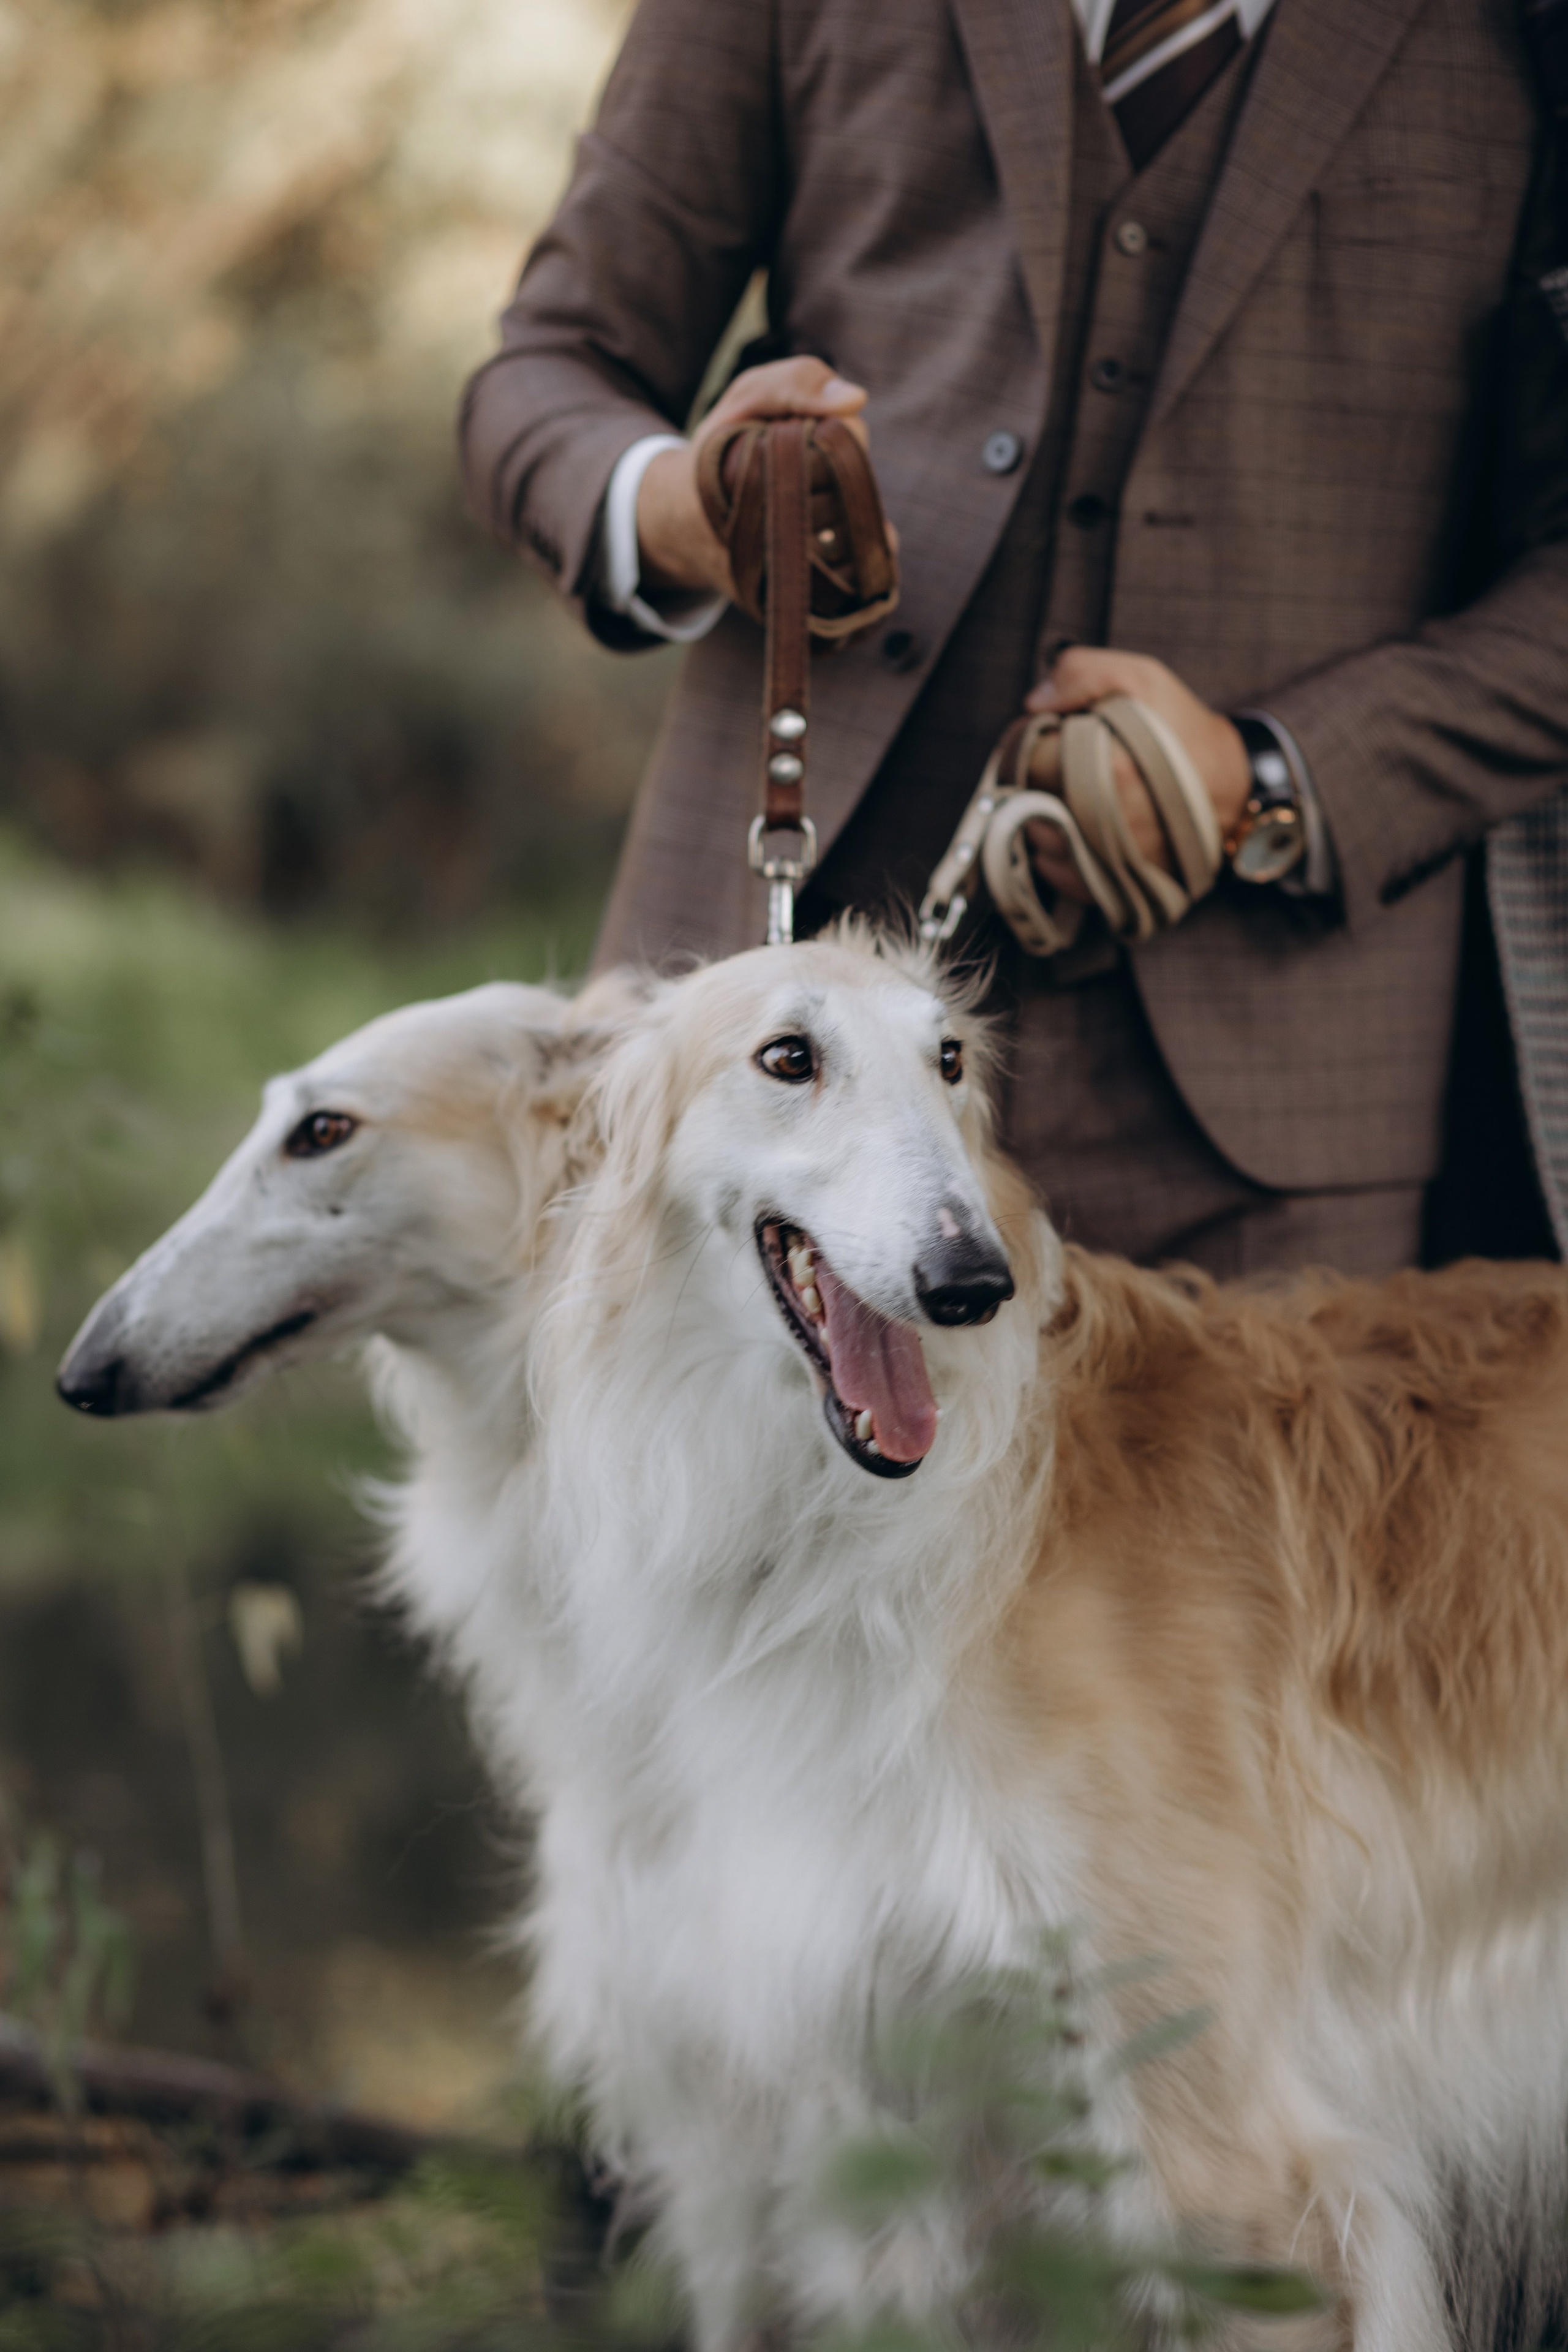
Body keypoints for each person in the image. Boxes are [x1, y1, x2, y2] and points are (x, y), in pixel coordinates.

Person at [460, 0, 1568, 1280]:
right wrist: (681, 512)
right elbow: (544, 368)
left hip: (1268, 1132)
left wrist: (1269, 774)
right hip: (750, 1058)